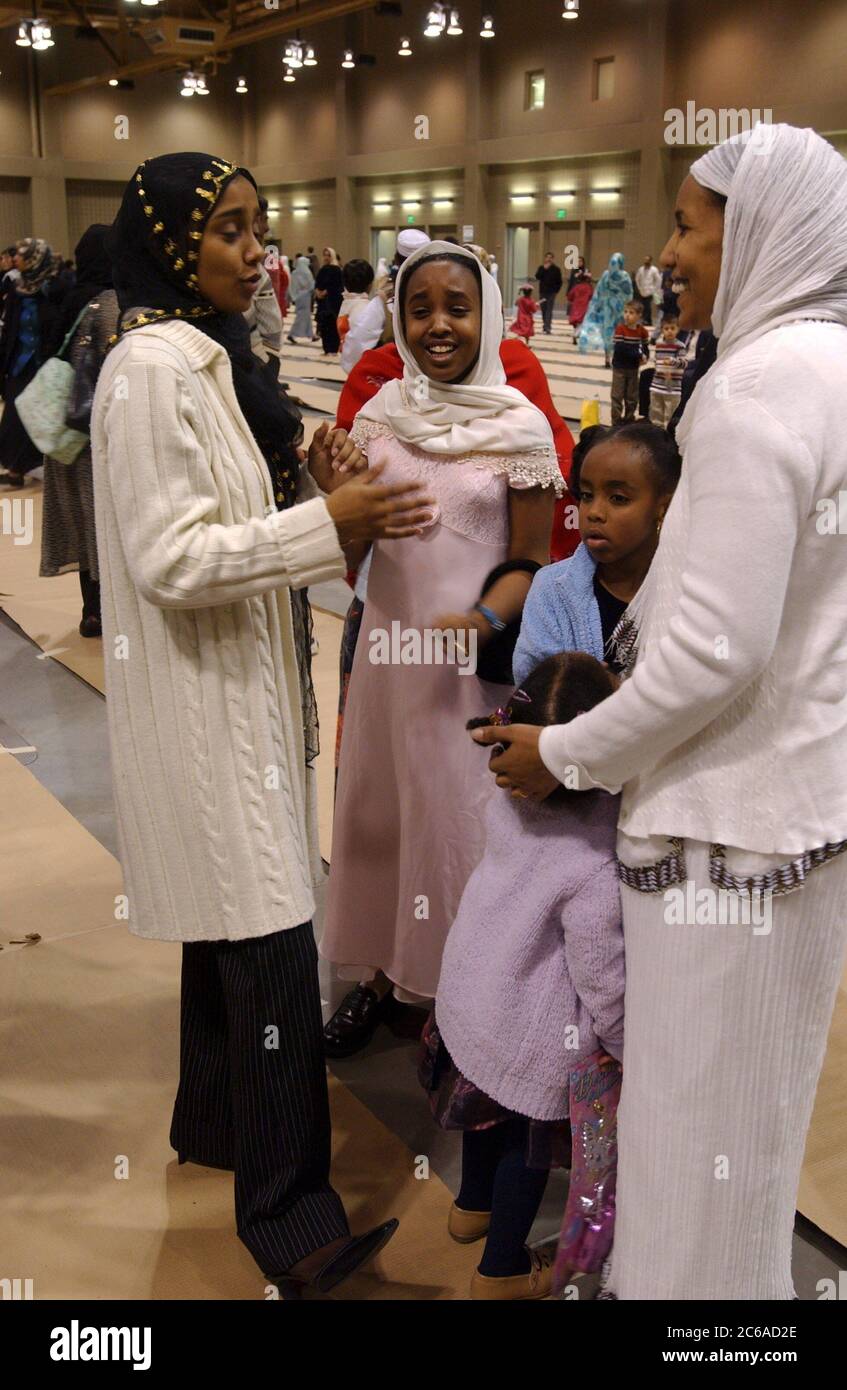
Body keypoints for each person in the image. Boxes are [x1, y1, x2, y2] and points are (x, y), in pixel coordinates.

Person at [468, 122, 847, 1301]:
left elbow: (708, 661)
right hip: (798, 828)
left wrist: (563, 756)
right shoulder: (834, 370)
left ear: (763, 231)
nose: (666, 251)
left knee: (686, 1163)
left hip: (718, 840)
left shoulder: (752, 393)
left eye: (688, 222)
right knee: (747, 1149)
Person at [92, 152, 435, 1296]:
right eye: (230, 229)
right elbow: (172, 556)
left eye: (259, 227)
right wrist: (324, 524)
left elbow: (233, 521)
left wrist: (312, 493)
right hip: (205, 717)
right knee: (275, 955)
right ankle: (294, 1227)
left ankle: (216, 1124)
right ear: (171, 240)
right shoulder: (149, 370)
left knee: (225, 940)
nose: (255, 250)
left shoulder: (214, 360)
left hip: (239, 699)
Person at [320, 241, 562, 1054]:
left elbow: (533, 563)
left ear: (487, 313)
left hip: (465, 675)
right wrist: (330, 487)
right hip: (386, 660)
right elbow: (349, 531)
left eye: (456, 307)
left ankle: (463, 1004)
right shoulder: (383, 408)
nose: (437, 325)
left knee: (455, 823)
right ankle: (381, 974)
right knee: (382, 814)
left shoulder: (519, 425)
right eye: (419, 309)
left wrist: (483, 621)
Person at [421, 652, 624, 1301]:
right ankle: (501, 1271)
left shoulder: (508, 799)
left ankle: (468, 1209)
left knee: (483, 1119)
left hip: (470, 995)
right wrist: (623, 1042)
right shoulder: (595, 860)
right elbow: (600, 976)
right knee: (524, 1152)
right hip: (533, 1033)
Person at [513, 422, 681, 686]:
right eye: (587, 495)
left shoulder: (686, 592)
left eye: (618, 498)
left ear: (663, 507)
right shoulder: (551, 588)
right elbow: (532, 684)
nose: (594, 512)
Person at [39, 224, 117, 636]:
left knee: (81, 522)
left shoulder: (66, 299)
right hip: (100, 436)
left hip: (66, 435)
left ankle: (92, 611)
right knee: (108, 523)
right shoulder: (114, 306)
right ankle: (117, 611)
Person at [0, 238, 64, 489]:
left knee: (42, 418)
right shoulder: (18, 290)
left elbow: (59, 326)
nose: (15, 258)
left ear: (36, 258)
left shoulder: (55, 289)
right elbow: (9, 330)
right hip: (19, 364)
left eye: (22, 254)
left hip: (44, 365)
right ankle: (16, 467)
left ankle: (24, 469)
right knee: (14, 417)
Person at [341, 229, 431, 370]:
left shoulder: (386, 298)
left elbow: (357, 343)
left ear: (396, 259)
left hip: (400, 378)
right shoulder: (448, 292)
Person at [578, 253, 633, 367]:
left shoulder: (606, 275)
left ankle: (607, 357)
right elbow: (629, 294)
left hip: (607, 309)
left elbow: (599, 292)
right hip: (620, 309)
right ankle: (616, 357)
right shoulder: (624, 275)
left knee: (607, 333)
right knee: (619, 333)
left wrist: (596, 306)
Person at [610, 300, 649, 425]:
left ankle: (629, 418)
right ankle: (616, 421)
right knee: (617, 395)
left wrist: (646, 356)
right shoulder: (620, 329)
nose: (627, 315)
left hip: (633, 368)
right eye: (625, 312)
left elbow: (645, 347)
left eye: (631, 313)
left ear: (639, 316)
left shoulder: (642, 331)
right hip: (619, 368)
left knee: (631, 396)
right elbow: (621, 348)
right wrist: (638, 355)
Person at [649, 315, 687, 427]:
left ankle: (668, 437)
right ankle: (657, 435)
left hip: (673, 387)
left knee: (671, 415)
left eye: (672, 328)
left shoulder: (680, 346)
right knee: (656, 413)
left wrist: (672, 361)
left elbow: (684, 363)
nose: (669, 331)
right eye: (666, 329)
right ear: (662, 330)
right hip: (657, 385)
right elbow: (657, 362)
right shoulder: (659, 344)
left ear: (677, 329)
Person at [338, 258, 374, 365]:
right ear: (370, 284)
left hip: (349, 356)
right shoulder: (364, 307)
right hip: (362, 362)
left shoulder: (347, 302)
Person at [314, 246, 344, 356]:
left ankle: (333, 348)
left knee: (332, 325)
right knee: (324, 325)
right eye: (325, 255)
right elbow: (317, 282)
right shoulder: (322, 269)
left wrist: (326, 292)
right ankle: (326, 348)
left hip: (332, 302)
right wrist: (317, 291)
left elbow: (338, 285)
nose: (326, 257)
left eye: (328, 255)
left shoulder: (337, 270)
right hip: (322, 302)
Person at [286, 253, 314, 343]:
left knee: (305, 316)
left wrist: (293, 296)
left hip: (298, 296)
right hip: (306, 296)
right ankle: (292, 334)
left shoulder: (294, 272)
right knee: (302, 316)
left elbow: (292, 286)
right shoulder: (307, 272)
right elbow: (311, 285)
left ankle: (311, 335)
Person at [534, 251, 563, 334]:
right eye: (547, 257)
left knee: (549, 310)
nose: (549, 259)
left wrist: (556, 291)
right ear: (545, 258)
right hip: (543, 292)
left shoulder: (556, 269)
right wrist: (544, 269)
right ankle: (545, 325)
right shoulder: (541, 268)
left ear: (552, 259)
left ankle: (548, 327)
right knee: (543, 309)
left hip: (551, 293)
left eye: (550, 257)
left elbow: (559, 282)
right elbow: (537, 276)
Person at [634, 254, 661, 326]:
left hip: (650, 291)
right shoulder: (641, 269)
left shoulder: (654, 269)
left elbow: (658, 280)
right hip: (642, 291)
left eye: (647, 260)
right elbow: (637, 279)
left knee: (647, 306)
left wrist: (655, 289)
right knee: (643, 306)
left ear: (650, 261)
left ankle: (647, 320)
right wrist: (639, 288)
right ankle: (646, 320)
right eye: (645, 260)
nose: (646, 262)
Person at [566, 273, 593, 345]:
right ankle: (577, 334)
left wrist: (572, 300)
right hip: (584, 306)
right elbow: (591, 296)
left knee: (576, 322)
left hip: (576, 305)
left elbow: (570, 296)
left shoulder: (576, 287)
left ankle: (576, 333)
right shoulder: (588, 287)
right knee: (582, 322)